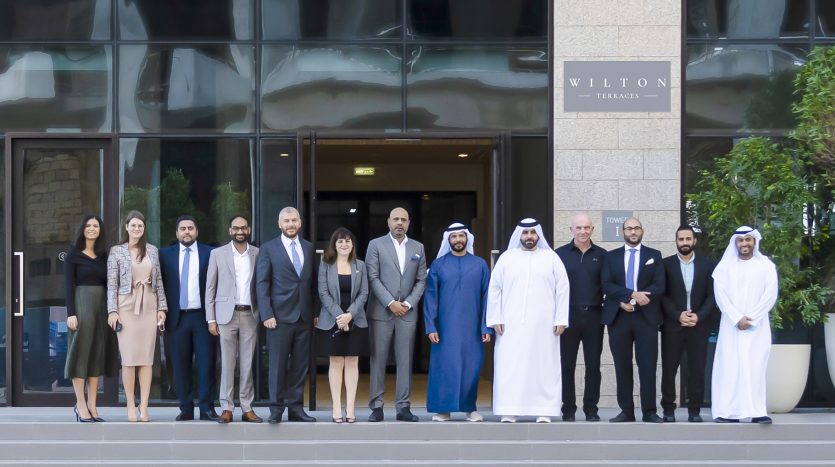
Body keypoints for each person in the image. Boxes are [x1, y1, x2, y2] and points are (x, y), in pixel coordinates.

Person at [486, 218, 570, 423]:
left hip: (545, 326)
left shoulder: (551, 257)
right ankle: (509, 409)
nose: (529, 237)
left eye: (533, 233)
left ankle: (545, 409)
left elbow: (563, 289)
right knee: (510, 366)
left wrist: (561, 318)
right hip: (510, 325)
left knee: (543, 366)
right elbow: (494, 289)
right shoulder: (507, 258)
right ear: (519, 235)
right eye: (525, 233)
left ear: (538, 235)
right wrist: (495, 317)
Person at [424, 223, 492, 422]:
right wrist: (431, 326)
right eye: (454, 237)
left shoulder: (480, 264)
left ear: (467, 239)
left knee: (471, 367)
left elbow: (487, 297)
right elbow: (431, 297)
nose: (458, 240)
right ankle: (443, 409)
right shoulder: (438, 265)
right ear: (448, 240)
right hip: (444, 328)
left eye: (461, 236)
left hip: (472, 327)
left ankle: (470, 408)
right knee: (445, 367)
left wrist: (485, 326)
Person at [256, 207, 317, 424]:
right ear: (279, 224)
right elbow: (262, 283)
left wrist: (315, 313)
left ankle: (296, 408)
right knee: (278, 365)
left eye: (294, 220)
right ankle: (276, 409)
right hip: (278, 318)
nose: (290, 224)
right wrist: (266, 313)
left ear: (300, 223)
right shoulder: (268, 248)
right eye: (286, 221)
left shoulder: (309, 248)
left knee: (300, 366)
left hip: (304, 316)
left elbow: (313, 284)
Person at [366, 207, 427, 422]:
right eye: (395, 219)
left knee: (405, 360)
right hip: (381, 311)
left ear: (409, 223)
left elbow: (421, 280)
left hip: (407, 313)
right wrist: (391, 302)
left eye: (403, 219)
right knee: (378, 359)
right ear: (388, 222)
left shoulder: (418, 247)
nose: (399, 223)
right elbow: (372, 277)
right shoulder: (376, 245)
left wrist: (408, 303)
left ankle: (403, 406)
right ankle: (377, 406)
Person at [601, 217, 665, 423]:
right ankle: (626, 410)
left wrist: (639, 299)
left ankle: (649, 411)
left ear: (642, 231)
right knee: (622, 365)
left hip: (646, 318)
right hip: (619, 317)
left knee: (647, 365)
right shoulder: (610, 257)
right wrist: (628, 297)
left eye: (636, 227)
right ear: (623, 232)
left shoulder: (654, 256)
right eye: (629, 228)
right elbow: (606, 285)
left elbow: (659, 285)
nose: (633, 231)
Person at [711, 226, 777, 424]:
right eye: (740, 241)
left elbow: (770, 295)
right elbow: (720, 296)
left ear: (754, 241)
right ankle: (728, 412)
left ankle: (757, 412)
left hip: (757, 326)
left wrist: (752, 318)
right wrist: (736, 318)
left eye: (748, 240)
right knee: (730, 367)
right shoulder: (725, 267)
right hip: (731, 326)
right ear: (735, 243)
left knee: (755, 366)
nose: (744, 244)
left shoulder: (765, 265)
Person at [106, 211, 167, 422]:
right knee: (129, 360)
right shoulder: (116, 251)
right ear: (126, 227)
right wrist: (112, 311)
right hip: (126, 307)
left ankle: (145, 406)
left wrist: (162, 308)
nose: (136, 229)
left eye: (140, 226)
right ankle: (130, 405)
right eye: (133, 225)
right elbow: (112, 284)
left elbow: (158, 281)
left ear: (144, 228)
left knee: (147, 360)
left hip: (149, 306)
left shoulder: (152, 250)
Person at [159, 215, 218, 421]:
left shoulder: (210, 253)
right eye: (182, 228)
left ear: (196, 231)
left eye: (190, 228)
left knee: (206, 363)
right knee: (179, 364)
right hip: (176, 318)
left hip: (202, 317)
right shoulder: (164, 255)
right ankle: (185, 407)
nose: (186, 232)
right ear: (176, 233)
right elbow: (159, 285)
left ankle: (206, 408)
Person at [205, 215, 262, 424]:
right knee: (227, 363)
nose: (240, 231)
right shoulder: (217, 254)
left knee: (247, 363)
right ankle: (227, 408)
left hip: (250, 314)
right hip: (225, 315)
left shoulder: (258, 253)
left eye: (244, 228)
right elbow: (210, 288)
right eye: (236, 228)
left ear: (249, 230)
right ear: (230, 230)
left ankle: (247, 408)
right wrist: (211, 319)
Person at [64, 214, 119, 422]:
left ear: (100, 230)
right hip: (81, 305)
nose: (92, 228)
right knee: (81, 354)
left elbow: (111, 284)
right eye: (88, 225)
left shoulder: (106, 255)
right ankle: (80, 405)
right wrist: (71, 313)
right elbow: (68, 286)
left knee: (96, 354)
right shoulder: (73, 254)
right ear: (82, 229)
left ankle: (93, 406)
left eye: (96, 225)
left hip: (102, 308)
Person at [660, 225, 716, 423]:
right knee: (669, 369)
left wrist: (698, 316)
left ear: (694, 241)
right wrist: (677, 315)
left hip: (698, 326)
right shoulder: (665, 264)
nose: (684, 242)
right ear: (676, 241)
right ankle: (668, 410)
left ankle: (695, 410)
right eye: (681, 239)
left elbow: (712, 296)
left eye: (688, 239)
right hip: (673, 326)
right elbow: (662, 295)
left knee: (697, 368)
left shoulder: (708, 265)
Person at [555, 213, 607, 422]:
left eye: (587, 228)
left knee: (593, 365)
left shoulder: (603, 255)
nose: (583, 232)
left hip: (594, 315)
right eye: (579, 228)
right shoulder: (559, 255)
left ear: (592, 229)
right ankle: (568, 409)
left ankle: (591, 409)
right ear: (571, 230)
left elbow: (608, 286)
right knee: (567, 365)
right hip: (568, 316)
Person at [316, 227, 369, 424]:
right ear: (334, 245)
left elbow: (364, 293)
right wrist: (340, 316)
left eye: (347, 241)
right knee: (336, 362)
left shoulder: (360, 266)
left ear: (352, 244)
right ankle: (337, 407)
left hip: (356, 320)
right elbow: (322, 293)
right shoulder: (325, 265)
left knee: (353, 362)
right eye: (340, 241)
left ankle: (351, 407)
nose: (344, 244)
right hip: (332, 320)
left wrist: (350, 315)